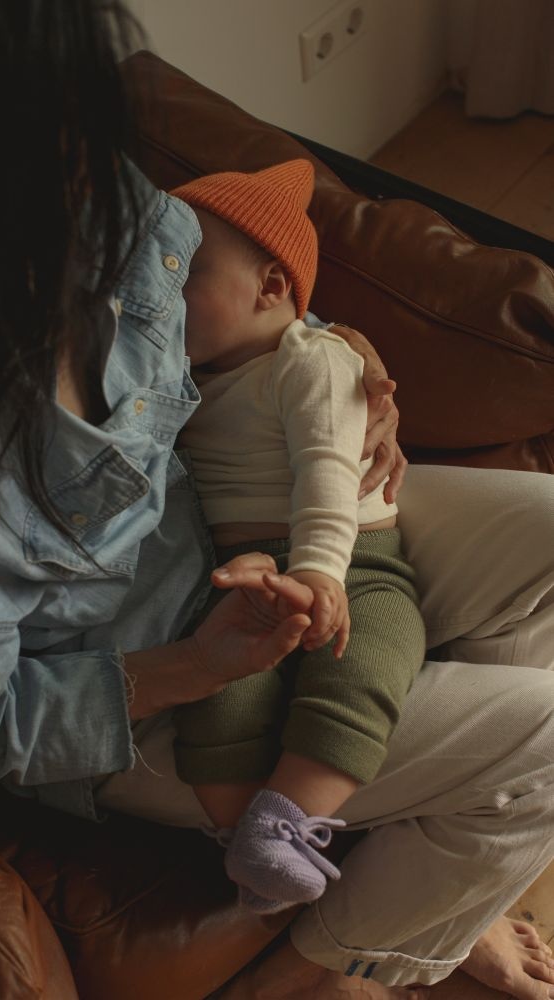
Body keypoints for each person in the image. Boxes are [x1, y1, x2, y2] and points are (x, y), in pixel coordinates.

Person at [0, 3, 553, 1000]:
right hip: (145, 673)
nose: (92, 168)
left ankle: (436, 837)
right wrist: (194, 667)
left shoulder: (103, 202)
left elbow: (241, 298)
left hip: (247, 520)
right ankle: (311, 977)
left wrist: (334, 355)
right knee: (546, 736)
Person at [167, 159, 426, 914]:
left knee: (365, 664)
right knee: (220, 700)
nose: (159, 296)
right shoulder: (177, 383)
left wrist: (318, 572)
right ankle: (247, 842)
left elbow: (324, 471)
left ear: (272, 287)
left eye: (185, 276)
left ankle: (287, 823)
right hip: (240, 570)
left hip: (353, 561)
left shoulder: (311, 361)